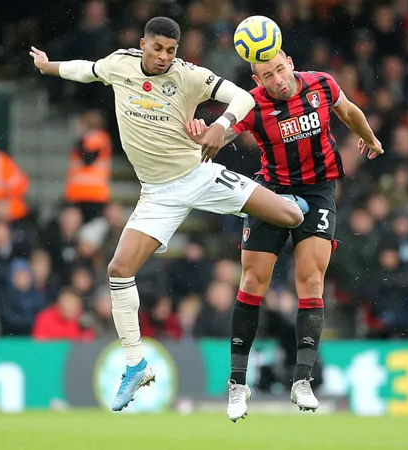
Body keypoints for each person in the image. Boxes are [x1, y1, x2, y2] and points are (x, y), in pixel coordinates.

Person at [30, 17, 310, 411]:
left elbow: (245, 98)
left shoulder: (189, 75)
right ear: (142, 44)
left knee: (292, 217)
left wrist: (221, 125)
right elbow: (86, 71)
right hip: (157, 194)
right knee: (118, 269)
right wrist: (49, 66)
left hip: (197, 174)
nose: (164, 57)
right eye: (157, 48)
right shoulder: (120, 64)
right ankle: (135, 363)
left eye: (171, 51)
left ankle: (293, 199)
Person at [185, 49, 383, 422]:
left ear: (290, 62)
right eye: (267, 76)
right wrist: (203, 135)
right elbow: (223, 135)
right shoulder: (253, 103)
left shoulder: (322, 84)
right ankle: (237, 383)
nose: (277, 80)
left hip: (319, 189)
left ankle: (303, 379)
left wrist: (370, 139)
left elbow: (350, 111)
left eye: (280, 70)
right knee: (253, 279)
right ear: (257, 80)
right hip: (272, 192)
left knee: (311, 279)